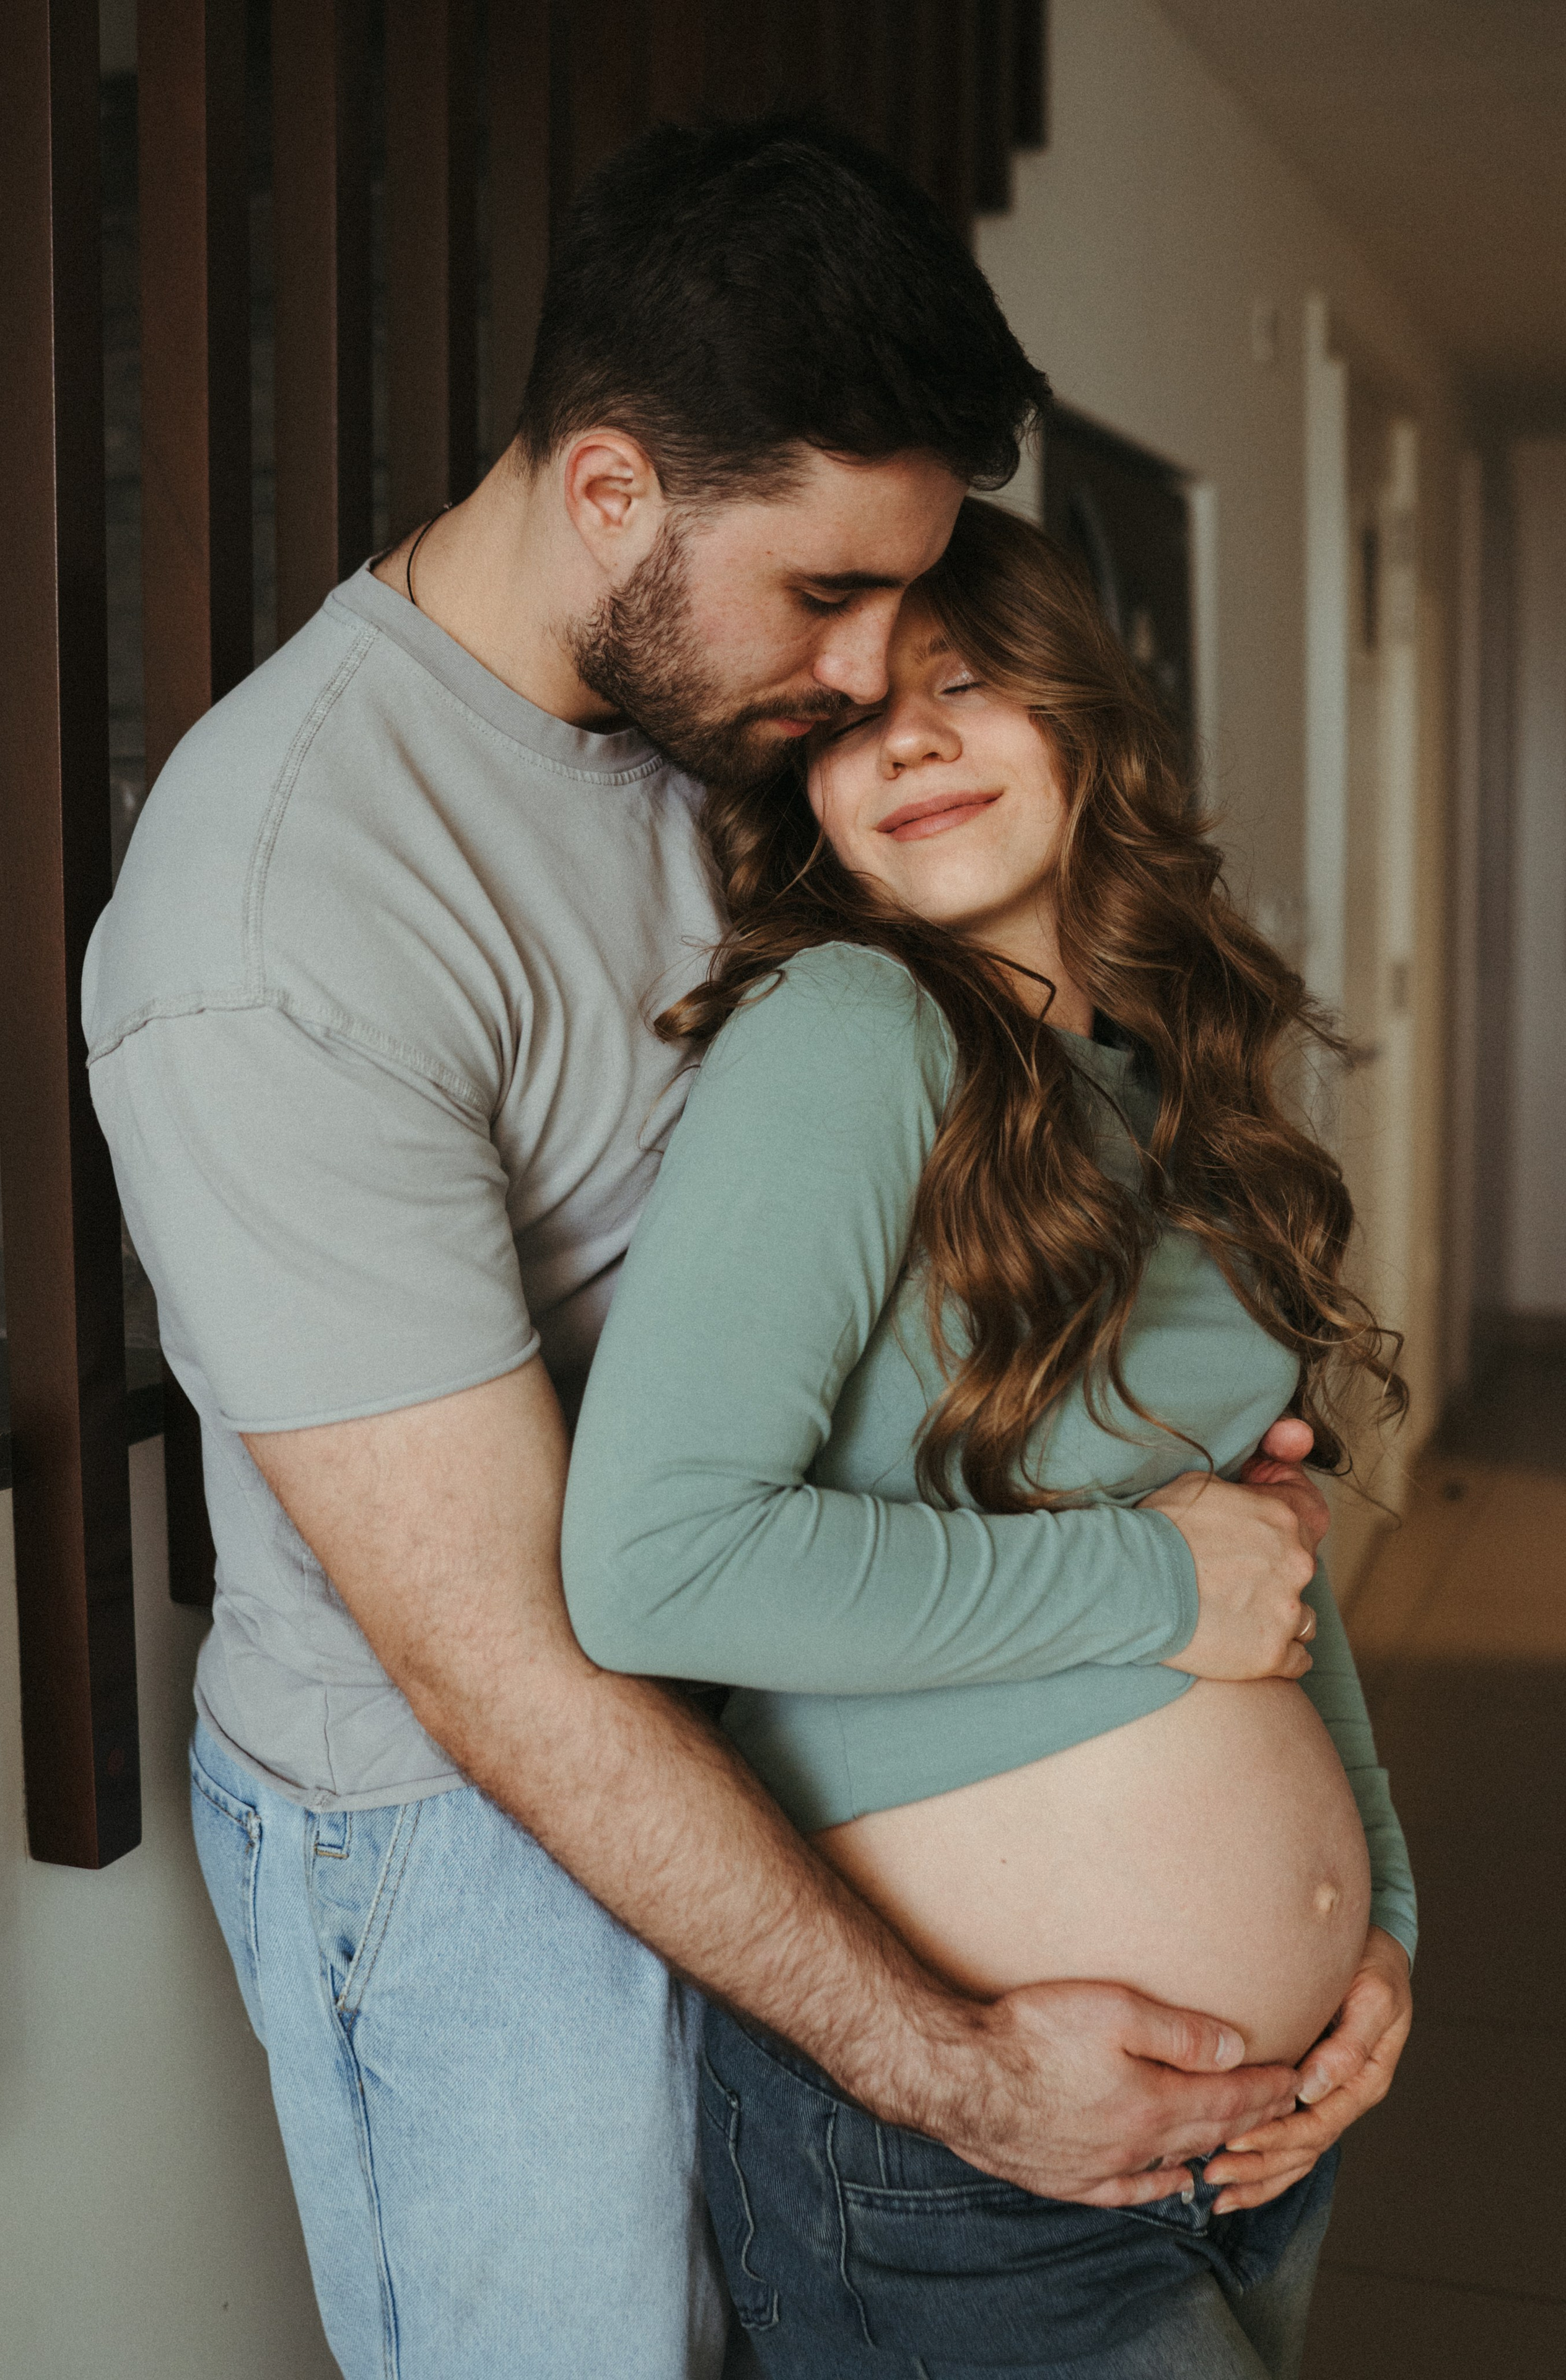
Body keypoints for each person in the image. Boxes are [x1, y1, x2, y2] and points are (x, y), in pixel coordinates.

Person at [87, 115, 1337, 2380]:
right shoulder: (276, 922)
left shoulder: (718, 713)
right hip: (477, 1830)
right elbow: (502, 1648)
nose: (878, 681)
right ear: (607, 496)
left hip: (781, 1738)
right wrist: (949, 2061)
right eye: (836, 597)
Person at [561, 499, 1417, 2378]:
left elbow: (1261, 1552)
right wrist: (1146, 1578)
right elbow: (656, 1567)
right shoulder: (857, 1026)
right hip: (976, 2165)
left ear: (1086, 718)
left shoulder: (1162, 1072)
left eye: (963, 682)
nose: (912, 739)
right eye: (849, 720)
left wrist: (1382, 1930)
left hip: (1255, 2122)